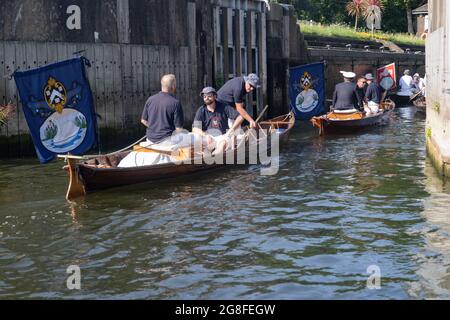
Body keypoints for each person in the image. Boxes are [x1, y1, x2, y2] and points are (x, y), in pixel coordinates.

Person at [193, 87, 244, 154]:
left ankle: (212, 159)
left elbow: (240, 117)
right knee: (195, 141)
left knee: (223, 144)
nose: (207, 98)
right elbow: (195, 128)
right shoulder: (201, 110)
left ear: (215, 96)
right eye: (204, 96)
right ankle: (204, 157)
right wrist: (206, 135)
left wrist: (231, 130)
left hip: (222, 136)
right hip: (208, 137)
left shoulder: (224, 107)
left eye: (209, 96)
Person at [141, 74, 184, 144]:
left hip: (150, 139)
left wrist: (156, 128)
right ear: (173, 86)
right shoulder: (176, 103)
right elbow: (179, 129)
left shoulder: (150, 99)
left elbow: (143, 120)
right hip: (167, 141)